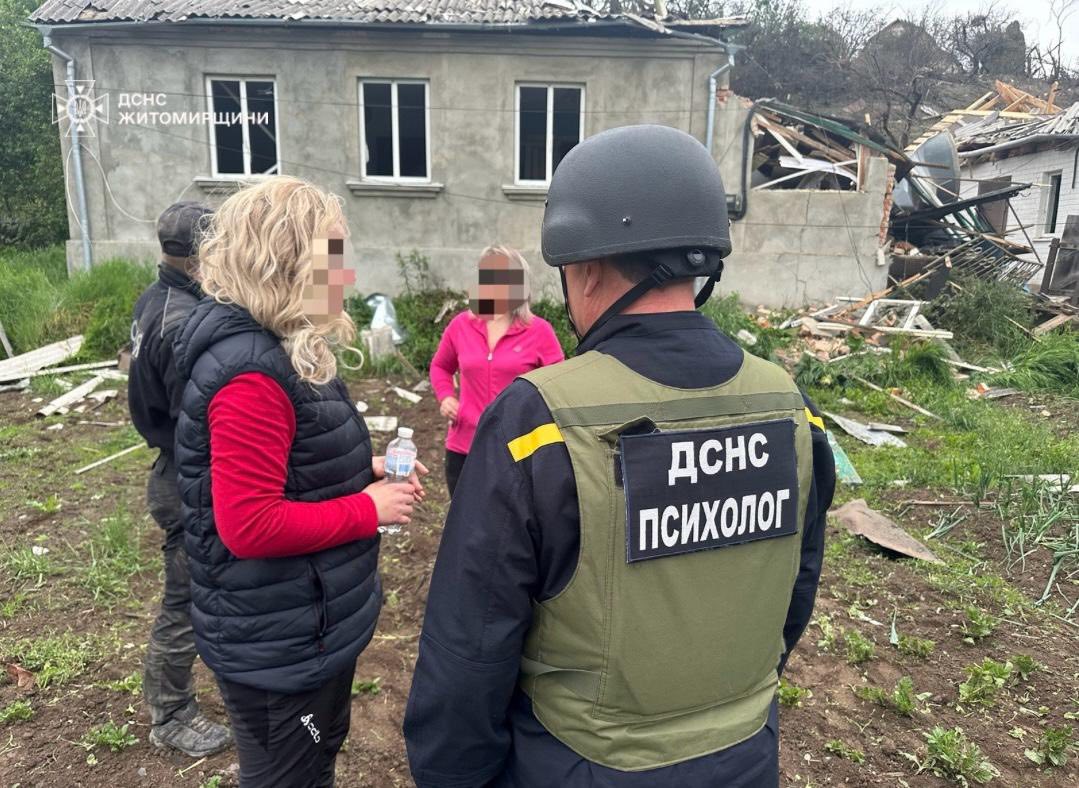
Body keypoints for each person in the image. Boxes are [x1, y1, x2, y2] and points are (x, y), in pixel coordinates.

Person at [404, 125, 836, 787]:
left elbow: (470, 645)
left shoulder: (537, 419)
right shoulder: (788, 404)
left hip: (579, 765)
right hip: (746, 756)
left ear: (585, 267)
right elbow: (795, 590)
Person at [171, 177, 425, 787]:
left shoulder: (287, 348)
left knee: (316, 759)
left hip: (304, 629)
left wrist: (360, 470)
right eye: (334, 259)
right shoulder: (252, 377)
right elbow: (250, 525)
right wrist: (368, 508)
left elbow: (292, 464)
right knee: (289, 775)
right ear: (286, 266)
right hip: (277, 646)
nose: (348, 276)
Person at [127, 201, 232, 757]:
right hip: (187, 476)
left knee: (204, 589)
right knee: (187, 598)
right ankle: (169, 714)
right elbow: (197, 420)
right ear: (202, 254)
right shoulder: (180, 322)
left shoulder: (156, 299)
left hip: (174, 467)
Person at [429, 246, 564, 495]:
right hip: (464, 447)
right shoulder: (461, 326)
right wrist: (446, 396)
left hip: (516, 449)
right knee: (462, 517)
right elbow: (440, 367)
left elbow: (557, 386)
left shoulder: (539, 331)